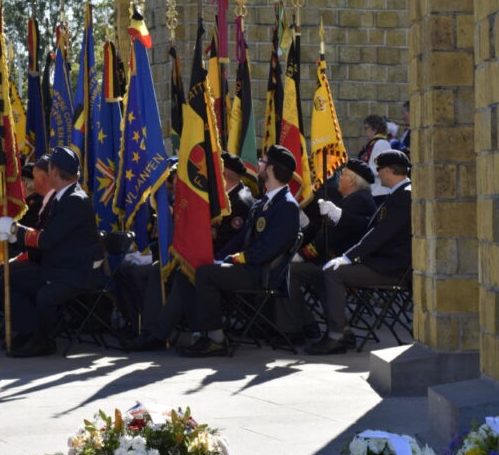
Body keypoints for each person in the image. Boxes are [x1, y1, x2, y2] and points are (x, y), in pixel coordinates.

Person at [123, 152, 256, 352]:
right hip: (205, 256)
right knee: (157, 269)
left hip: (220, 261)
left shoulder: (238, 201)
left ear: (224, 175)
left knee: (182, 274)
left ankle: (158, 334)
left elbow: (227, 242)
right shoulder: (227, 198)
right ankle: (149, 330)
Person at [180, 144, 300, 358]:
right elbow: (240, 238)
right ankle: (200, 333)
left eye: (262, 162)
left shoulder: (287, 206)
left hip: (262, 272)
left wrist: (240, 258)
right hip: (251, 267)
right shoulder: (265, 201)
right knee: (197, 267)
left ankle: (216, 340)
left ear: (271, 169)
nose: (259, 166)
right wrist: (217, 258)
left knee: (206, 275)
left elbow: (270, 247)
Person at [0, 145, 99, 358]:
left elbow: (48, 239)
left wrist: (16, 230)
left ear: (53, 171)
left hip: (74, 273)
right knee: (8, 275)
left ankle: (44, 340)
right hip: (59, 267)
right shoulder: (64, 196)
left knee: (45, 295)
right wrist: (18, 234)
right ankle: (29, 331)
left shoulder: (75, 200)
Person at [306, 149, 412, 355]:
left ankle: (336, 336)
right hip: (382, 262)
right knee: (325, 271)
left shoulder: (405, 195)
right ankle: (342, 329)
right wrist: (340, 217)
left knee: (333, 273)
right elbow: (369, 227)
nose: (378, 174)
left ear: (390, 171)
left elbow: (381, 234)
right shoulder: (398, 194)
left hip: (391, 267)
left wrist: (348, 257)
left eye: (380, 169)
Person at [285, 158, 376, 339]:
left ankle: (306, 325)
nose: (338, 179)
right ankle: (335, 326)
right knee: (313, 273)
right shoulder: (354, 199)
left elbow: (332, 235)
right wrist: (305, 224)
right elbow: (324, 231)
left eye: (342, 175)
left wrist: (303, 254)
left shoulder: (357, 200)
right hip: (337, 259)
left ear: (351, 181)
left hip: (347, 263)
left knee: (290, 271)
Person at [358, 114, 392, 201]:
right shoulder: (373, 144)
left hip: (380, 191)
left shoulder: (382, 143)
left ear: (375, 128)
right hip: (373, 190)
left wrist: (362, 169)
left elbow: (382, 167)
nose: (365, 132)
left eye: (367, 128)